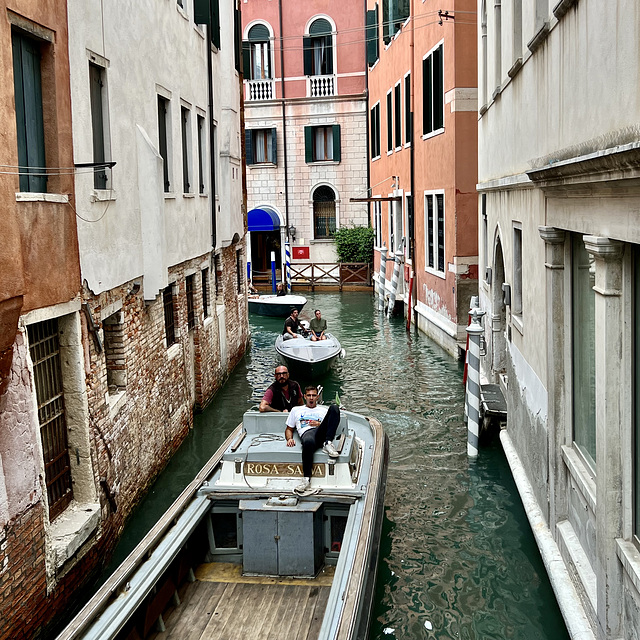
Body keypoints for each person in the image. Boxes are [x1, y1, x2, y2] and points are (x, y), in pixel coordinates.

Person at [285, 386, 340, 493]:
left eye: (313, 395)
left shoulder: (323, 410)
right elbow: (289, 428)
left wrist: (319, 424)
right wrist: (289, 439)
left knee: (334, 408)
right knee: (308, 442)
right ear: (305, 397)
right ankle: (306, 479)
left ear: (317, 397)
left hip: (320, 432)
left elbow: (330, 424)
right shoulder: (296, 410)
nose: (311, 398)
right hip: (307, 433)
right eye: (309, 395)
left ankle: (327, 443)